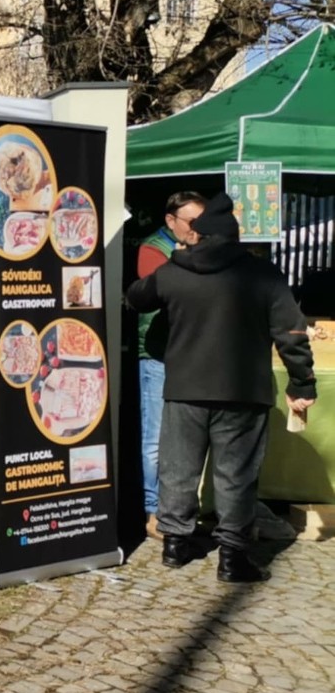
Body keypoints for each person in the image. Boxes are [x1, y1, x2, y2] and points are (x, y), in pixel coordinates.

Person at [126, 192, 317, 583]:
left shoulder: (175, 270)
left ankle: (175, 544)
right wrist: (302, 383)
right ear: (235, 236)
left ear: (199, 233)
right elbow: (292, 333)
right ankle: (232, 557)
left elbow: (136, 298)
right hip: (243, 391)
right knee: (236, 475)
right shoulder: (263, 274)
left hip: (185, 387)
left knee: (179, 469)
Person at [135, 190, 206, 540]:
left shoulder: (201, 247)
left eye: (202, 222)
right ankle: (153, 512)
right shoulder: (152, 249)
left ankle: (179, 508)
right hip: (158, 354)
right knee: (155, 439)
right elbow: (163, 292)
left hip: (191, 355)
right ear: (170, 220)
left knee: (187, 439)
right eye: (191, 221)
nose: (197, 229)